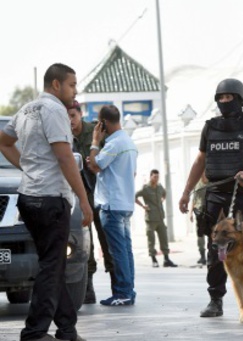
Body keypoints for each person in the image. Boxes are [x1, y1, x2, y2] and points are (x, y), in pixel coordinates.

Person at [0, 63, 92, 341]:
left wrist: (27, 169)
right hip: (50, 199)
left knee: (54, 264)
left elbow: (4, 142)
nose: (75, 90)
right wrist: (85, 202)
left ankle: (66, 330)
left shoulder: (26, 109)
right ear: (56, 84)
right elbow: (65, 158)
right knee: (52, 267)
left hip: (29, 198)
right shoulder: (55, 112)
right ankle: (34, 332)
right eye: (72, 84)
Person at [177, 78, 243, 318]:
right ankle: (215, 300)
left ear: (239, 99)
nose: (224, 101)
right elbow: (200, 161)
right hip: (216, 196)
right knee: (216, 249)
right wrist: (187, 191)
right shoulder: (211, 127)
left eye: (229, 97)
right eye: (220, 98)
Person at [87, 104, 138, 306]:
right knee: (125, 250)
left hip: (112, 205)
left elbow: (94, 165)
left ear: (104, 123)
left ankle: (122, 292)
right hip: (125, 203)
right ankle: (128, 291)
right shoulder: (129, 142)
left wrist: (94, 142)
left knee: (117, 251)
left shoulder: (113, 143)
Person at [67, 99, 114, 304]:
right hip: (79, 199)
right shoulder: (62, 137)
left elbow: (111, 156)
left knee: (108, 241)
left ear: (80, 114)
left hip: (102, 195)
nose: (70, 121)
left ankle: (117, 285)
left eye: (73, 116)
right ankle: (88, 287)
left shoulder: (96, 131)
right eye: (65, 117)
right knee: (86, 244)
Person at [135, 169, 178, 268]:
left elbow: (164, 193)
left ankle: (166, 259)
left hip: (160, 217)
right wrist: (143, 206)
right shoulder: (145, 189)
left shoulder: (159, 187)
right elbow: (135, 196)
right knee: (151, 240)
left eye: (157, 177)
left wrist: (163, 199)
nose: (156, 178)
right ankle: (154, 260)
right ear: (150, 177)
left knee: (164, 238)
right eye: (154, 176)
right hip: (150, 219)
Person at [190, 177, 208, 266]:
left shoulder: (211, 181)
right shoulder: (197, 183)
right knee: (200, 234)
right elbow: (194, 198)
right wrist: (190, 213)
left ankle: (211, 255)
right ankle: (202, 256)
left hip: (210, 211)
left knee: (211, 233)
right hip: (199, 211)